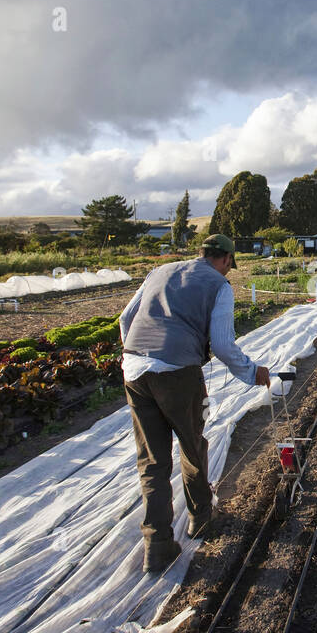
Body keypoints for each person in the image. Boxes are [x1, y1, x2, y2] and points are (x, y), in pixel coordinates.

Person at [119, 233, 270, 573]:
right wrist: (251, 372)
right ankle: (200, 518)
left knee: (152, 461)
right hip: (176, 373)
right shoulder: (219, 285)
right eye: (230, 265)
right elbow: (221, 343)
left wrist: (136, 356)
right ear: (227, 260)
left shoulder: (160, 271)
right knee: (191, 443)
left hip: (134, 371)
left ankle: (156, 546)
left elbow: (125, 321)